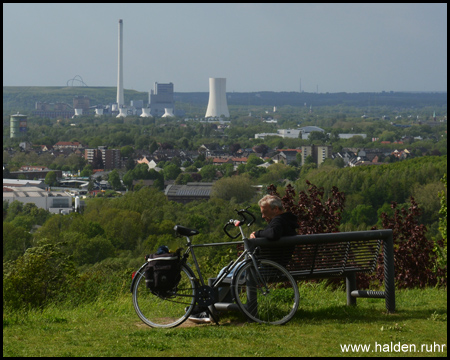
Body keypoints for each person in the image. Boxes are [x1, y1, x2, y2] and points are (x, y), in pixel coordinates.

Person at [188, 195, 298, 324]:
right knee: (227, 271)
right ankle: (215, 308)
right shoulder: (288, 221)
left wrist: (257, 234)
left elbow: (273, 234)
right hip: (276, 265)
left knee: (225, 273)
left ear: (276, 209)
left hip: (264, 268)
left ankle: (208, 309)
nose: (263, 216)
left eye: (265, 212)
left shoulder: (278, 221)